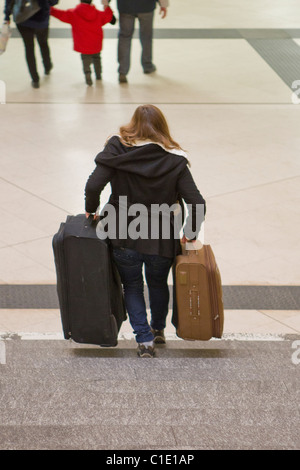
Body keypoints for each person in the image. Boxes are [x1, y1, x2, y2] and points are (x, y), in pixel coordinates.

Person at [85, 104, 206, 358]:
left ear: (133, 125)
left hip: (123, 232)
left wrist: (91, 209)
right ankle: (158, 328)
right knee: (158, 283)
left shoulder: (117, 150)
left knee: (132, 285)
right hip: (161, 236)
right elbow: (197, 202)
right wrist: (190, 233)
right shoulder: (175, 159)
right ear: (162, 128)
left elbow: (94, 184)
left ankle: (144, 339)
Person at [50, 0, 114, 85]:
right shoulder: (98, 14)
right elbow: (108, 16)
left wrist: (48, 8)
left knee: (85, 60)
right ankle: (98, 75)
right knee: (97, 58)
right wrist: (106, 6)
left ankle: (88, 75)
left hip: (83, 43)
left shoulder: (73, 13)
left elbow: (60, 14)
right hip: (95, 43)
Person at [4, 0, 58, 88]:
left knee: (29, 48)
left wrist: (7, 16)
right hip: (41, 19)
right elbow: (54, 1)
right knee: (43, 43)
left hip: (22, 18)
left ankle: (35, 79)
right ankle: (47, 66)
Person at [115, 0, 169, 83]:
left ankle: (122, 71)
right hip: (146, 6)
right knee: (146, 37)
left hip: (125, 6)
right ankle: (147, 66)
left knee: (125, 37)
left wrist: (105, 3)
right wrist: (163, 4)